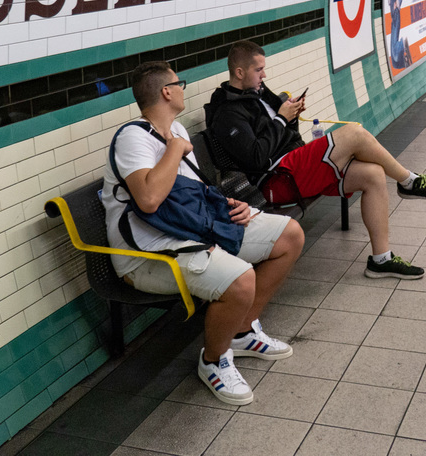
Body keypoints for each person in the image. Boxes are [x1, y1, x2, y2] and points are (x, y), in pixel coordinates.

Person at [100, 61, 304, 406]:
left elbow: (190, 194)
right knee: (240, 279)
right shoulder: (132, 138)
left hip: (189, 229)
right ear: (167, 92)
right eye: (179, 83)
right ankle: (213, 360)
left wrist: (231, 206)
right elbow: (149, 200)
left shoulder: (176, 128)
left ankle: (241, 331)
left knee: (290, 235)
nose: (183, 87)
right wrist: (176, 151)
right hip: (148, 253)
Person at [205, 40, 426, 280]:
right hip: (276, 180)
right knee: (354, 133)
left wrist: (290, 116)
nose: (264, 75)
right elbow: (257, 158)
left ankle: (381, 260)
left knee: (373, 174)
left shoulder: (257, 93)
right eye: (258, 70)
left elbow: (279, 134)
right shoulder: (228, 112)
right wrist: (280, 119)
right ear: (239, 72)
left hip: (293, 165)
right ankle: (409, 181)